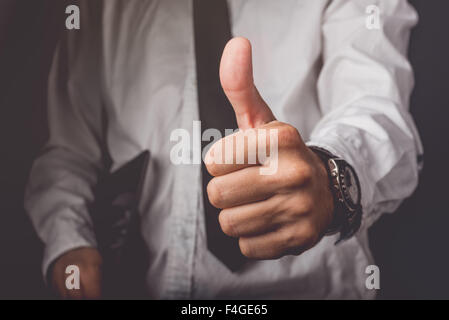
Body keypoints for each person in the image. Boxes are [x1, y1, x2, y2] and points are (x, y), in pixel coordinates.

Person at [25, 0, 423, 299]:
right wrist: (70, 244)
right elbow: (68, 150)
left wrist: (331, 179)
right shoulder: (96, 9)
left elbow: (377, 110)